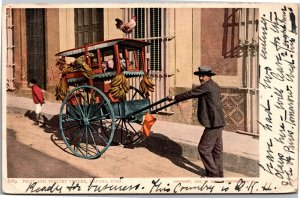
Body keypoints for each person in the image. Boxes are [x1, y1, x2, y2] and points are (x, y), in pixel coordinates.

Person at [167, 66, 225, 177]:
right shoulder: (214, 85)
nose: (201, 78)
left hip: (213, 123)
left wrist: (174, 97)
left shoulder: (207, 86)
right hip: (218, 121)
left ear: (209, 76)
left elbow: (191, 93)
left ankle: (213, 175)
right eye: (200, 76)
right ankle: (219, 175)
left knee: (203, 148)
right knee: (217, 150)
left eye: (203, 76)